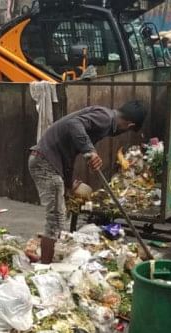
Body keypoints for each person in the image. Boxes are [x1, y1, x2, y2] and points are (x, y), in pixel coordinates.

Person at [28, 101, 147, 263]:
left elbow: (69, 155)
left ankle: (47, 259)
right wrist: (90, 150)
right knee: (55, 218)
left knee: (58, 216)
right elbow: (73, 124)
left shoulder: (104, 116)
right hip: (45, 162)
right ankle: (45, 268)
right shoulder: (106, 118)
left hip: (48, 162)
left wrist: (69, 184)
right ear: (129, 125)